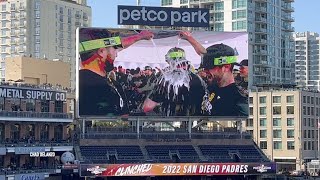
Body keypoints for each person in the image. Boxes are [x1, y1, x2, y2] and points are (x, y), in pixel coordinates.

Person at [78, 28, 154, 116]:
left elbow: (122, 116)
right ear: (102, 51)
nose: (117, 54)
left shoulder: (108, 83)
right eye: (115, 49)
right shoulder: (92, 85)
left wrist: (140, 36)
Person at [143, 45, 209, 116]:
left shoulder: (165, 80)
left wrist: (159, 105)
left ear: (170, 61)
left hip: (171, 122)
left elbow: (147, 107)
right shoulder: (198, 78)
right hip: (195, 122)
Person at [200, 44, 248, 116]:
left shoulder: (239, 100)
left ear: (226, 67)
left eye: (209, 67)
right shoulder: (210, 87)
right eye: (204, 68)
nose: (205, 71)